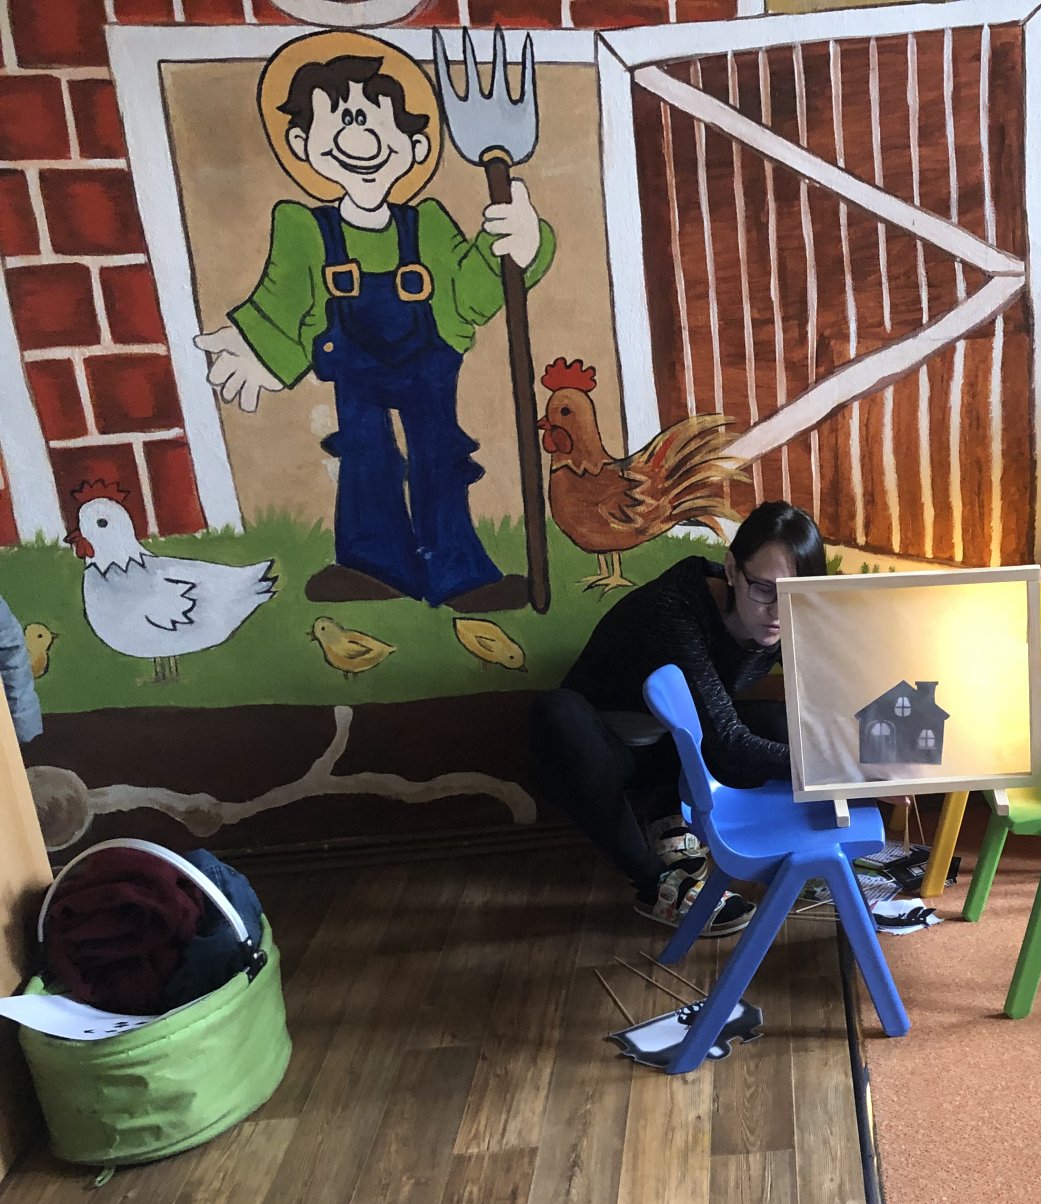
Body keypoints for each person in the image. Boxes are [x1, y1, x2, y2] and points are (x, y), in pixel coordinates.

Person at [195, 31, 555, 612]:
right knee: (367, 456)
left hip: (429, 368)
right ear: (301, 144)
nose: (358, 138)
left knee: (439, 457)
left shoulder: (428, 223)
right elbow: (284, 296)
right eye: (339, 122)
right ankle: (374, 565)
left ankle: (460, 574)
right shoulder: (304, 228)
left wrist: (515, 244)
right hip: (354, 369)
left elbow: (469, 293)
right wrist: (257, 347)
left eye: (375, 123)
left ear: (415, 146)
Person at [529, 501, 826, 937]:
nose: (778, 612)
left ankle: (669, 811)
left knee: (780, 723)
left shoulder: (787, 611)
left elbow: (824, 692)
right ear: (731, 570)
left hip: (678, 746)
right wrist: (834, 769)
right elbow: (727, 744)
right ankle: (654, 883)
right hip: (608, 754)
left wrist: (873, 758)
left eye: (794, 595)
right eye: (764, 589)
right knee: (556, 714)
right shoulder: (675, 607)